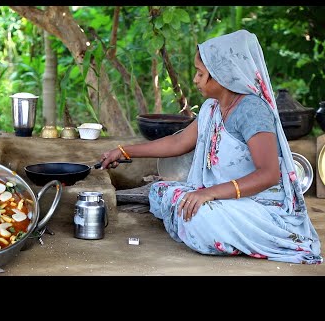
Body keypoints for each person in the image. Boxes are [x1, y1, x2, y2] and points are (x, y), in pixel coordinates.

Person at [100, 29, 322, 264]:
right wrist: (124, 151)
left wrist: (209, 193)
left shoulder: (252, 111)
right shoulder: (211, 108)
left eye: (200, 73)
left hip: (259, 203)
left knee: (200, 218)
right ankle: (216, 227)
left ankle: (232, 231)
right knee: (161, 191)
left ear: (222, 74)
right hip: (223, 198)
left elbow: (269, 175)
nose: (195, 79)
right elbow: (178, 142)